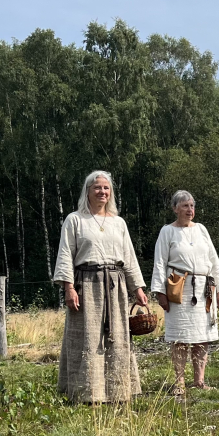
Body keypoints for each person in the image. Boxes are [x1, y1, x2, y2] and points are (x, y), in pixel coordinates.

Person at [53, 170, 149, 403]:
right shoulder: (75, 220)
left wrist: (137, 288)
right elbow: (65, 255)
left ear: (111, 193)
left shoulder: (118, 223)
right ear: (87, 192)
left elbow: (129, 256)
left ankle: (118, 391)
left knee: (117, 336)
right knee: (87, 337)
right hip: (86, 284)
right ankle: (86, 392)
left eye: (106, 188)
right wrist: (68, 288)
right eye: (97, 187)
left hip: (115, 286)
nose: (102, 191)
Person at [151, 191, 219, 395]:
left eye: (192, 206)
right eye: (185, 206)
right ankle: (179, 383)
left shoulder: (202, 230)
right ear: (175, 208)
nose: (189, 210)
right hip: (179, 287)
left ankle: (199, 381)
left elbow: (213, 259)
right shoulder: (167, 231)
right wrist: (160, 292)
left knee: (202, 336)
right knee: (180, 338)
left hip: (204, 287)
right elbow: (159, 262)